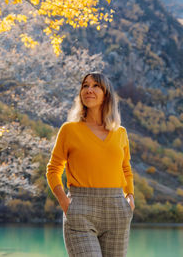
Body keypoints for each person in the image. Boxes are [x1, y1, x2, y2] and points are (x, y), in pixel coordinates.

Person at [46, 72, 135, 257]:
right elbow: (53, 169)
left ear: (106, 94)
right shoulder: (69, 130)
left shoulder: (120, 133)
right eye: (85, 86)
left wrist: (130, 197)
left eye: (95, 86)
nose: (89, 90)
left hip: (117, 209)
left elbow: (125, 168)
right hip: (80, 208)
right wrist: (64, 201)